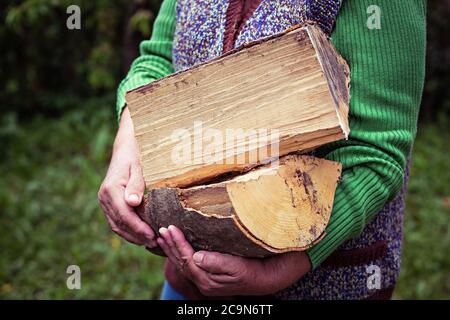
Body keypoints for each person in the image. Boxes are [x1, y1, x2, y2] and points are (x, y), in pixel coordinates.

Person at [98, 0, 426, 300]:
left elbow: (377, 151)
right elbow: (158, 59)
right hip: (188, 273)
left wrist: (278, 272)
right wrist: (127, 144)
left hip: (321, 285)